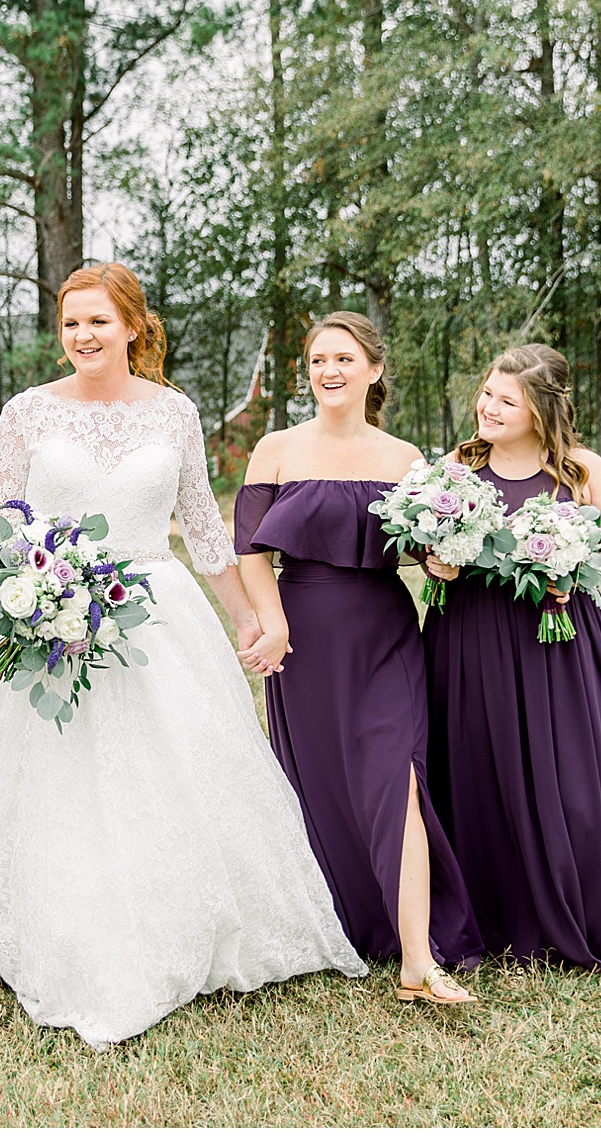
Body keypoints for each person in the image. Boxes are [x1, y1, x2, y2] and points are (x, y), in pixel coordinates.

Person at [0, 263, 365, 1051]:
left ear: (134, 325)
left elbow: (202, 526)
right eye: (70, 324)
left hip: (154, 618)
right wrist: (29, 601)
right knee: (53, 784)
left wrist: (247, 619)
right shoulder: (26, 413)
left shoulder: (175, 413)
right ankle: (61, 928)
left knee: (166, 777)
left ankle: (173, 923)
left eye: (98, 321)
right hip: (46, 618)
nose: (83, 337)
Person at [236, 312, 482, 1004]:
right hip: (303, 636)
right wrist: (273, 623)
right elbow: (250, 550)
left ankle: (416, 958)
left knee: (395, 774)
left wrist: (443, 561)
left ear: (373, 370)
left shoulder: (406, 459)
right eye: (318, 359)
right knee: (319, 783)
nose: (329, 370)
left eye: (344, 358)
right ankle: (339, 918)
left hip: (383, 631)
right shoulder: (275, 449)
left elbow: (426, 551)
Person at [422, 343, 601, 968]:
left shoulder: (584, 472)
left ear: (540, 408)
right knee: (478, 768)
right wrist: (436, 561)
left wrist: (576, 566)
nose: (488, 407)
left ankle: (584, 909)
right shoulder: (457, 467)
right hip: (470, 637)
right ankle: (488, 914)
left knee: (569, 775)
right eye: (487, 393)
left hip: (557, 639)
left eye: (507, 400)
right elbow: (422, 542)